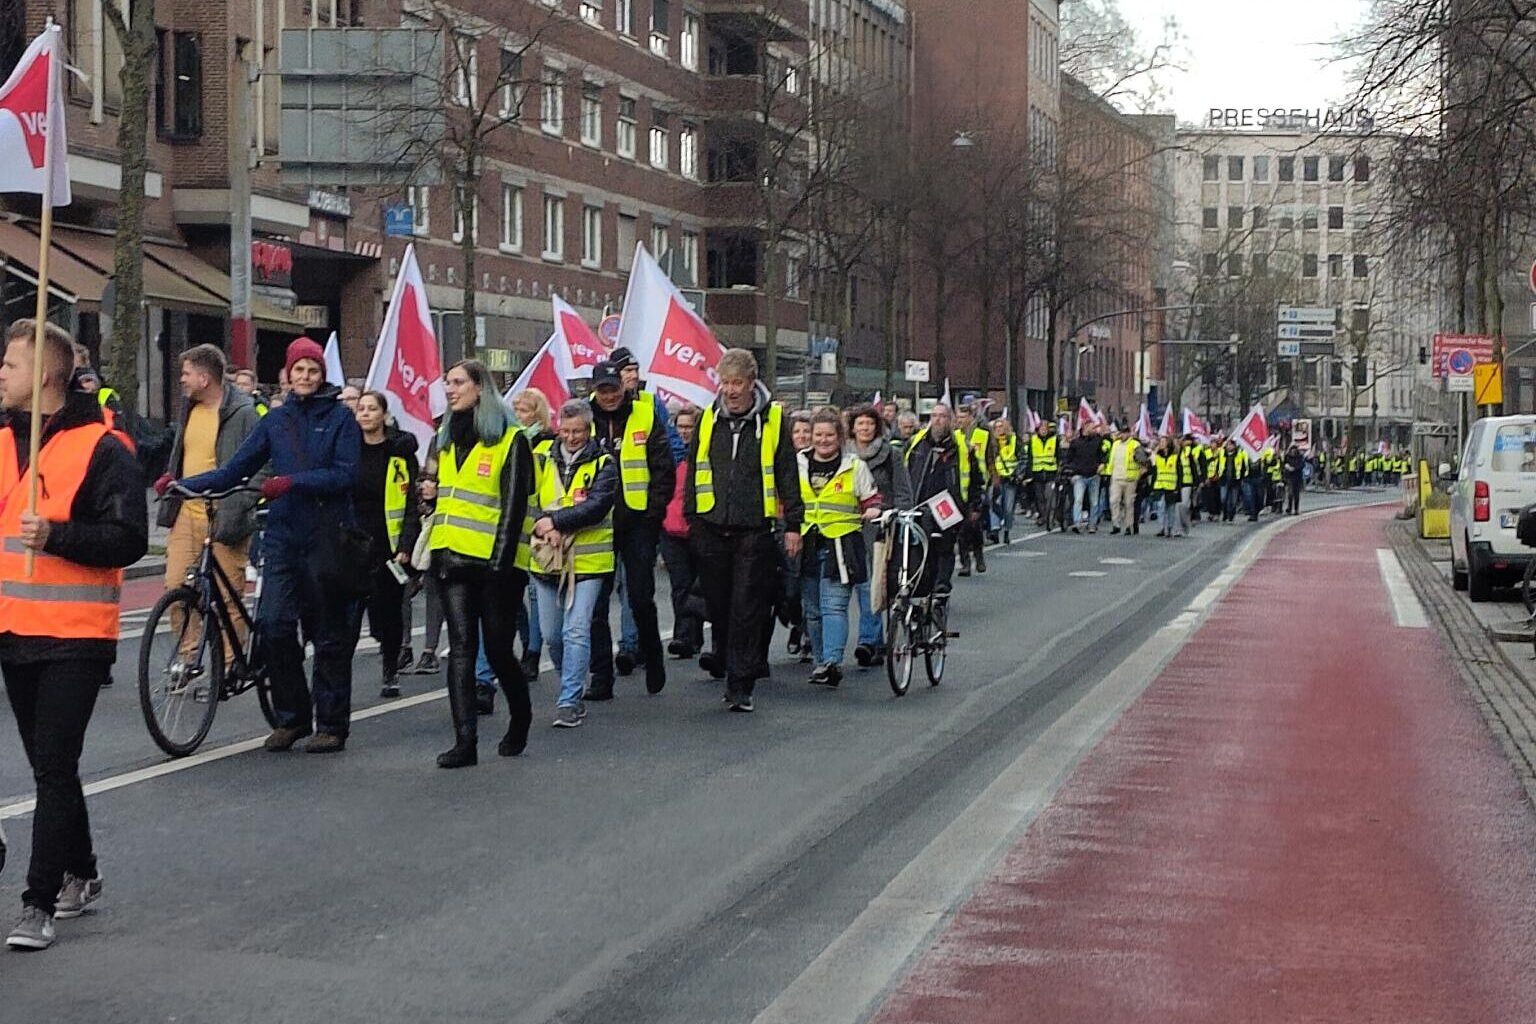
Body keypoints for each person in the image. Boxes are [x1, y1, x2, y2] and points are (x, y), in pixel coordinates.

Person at [0, 320, 147, 951]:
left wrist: (55, 536)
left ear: (48, 375)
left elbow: (128, 540)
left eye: (11, 363)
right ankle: (81, 870)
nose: (1, 372)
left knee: (54, 766)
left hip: (75, 635)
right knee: (47, 765)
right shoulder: (4, 439)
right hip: (13, 629)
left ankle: (38, 904)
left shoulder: (103, 448)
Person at [176, 337, 362, 754]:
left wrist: (293, 482)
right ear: (288, 375)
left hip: (327, 534)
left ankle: (331, 724)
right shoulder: (275, 421)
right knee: (275, 626)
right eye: (299, 371)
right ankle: (292, 717)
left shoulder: (340, 419)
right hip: (282, 535)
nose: (306, 377)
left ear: (321, 374)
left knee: (327, 633)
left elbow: (346, 474)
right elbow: (234, 470)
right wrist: (181, 485)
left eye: (313, 370)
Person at [426, 360, 535, 766]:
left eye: (458, 383)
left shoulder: (512, 440)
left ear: (479, 389)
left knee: (499, 650)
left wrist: (501, 564)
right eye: (447, 383)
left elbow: (512, 507)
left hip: (495, 566)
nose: (450, 390)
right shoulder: (446, 436)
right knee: (461, 650)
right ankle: (465, 742)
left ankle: (520, 718)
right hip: (452, 559)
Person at [685, 349, 802, 712]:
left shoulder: (774, 420)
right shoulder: (707, 419)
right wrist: (692, 518)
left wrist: (793, 524)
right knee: (718, 606)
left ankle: (740, 685)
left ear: (752, 383)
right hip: (711, 526)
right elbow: (693, 471)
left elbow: (787, 472)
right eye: (725, 382)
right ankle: (725, 656)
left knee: (747, 608)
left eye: (737, 383)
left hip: (754, 527)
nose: (731, 390)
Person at [153, 344, 263, 665]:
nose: (182, 380)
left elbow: (261, 464)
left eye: (186, 374)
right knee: (176, 588)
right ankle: (189, 660)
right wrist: (171, 483)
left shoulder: (243, 413)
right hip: (187, 511)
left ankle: (230, 664)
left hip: (225, 514)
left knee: (228, 596)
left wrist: (243, 500)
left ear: (204, 377)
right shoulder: (188, 409)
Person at [587, 359, 675, 700]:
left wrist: (653, 516)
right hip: (596, 524)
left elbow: (663, 468)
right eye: (603, 390)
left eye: (613, 388)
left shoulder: (645, 414)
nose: (609, 396)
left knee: (640, 598)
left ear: (623, 387)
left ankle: (653, 657)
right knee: (595, 605)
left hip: (638, 522)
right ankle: (600, 678)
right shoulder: (585, 420)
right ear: (594, 390)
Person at [529, 400, 618, 728]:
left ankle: (569, 699)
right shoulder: (539, 458)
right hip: (545, 562)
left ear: (589, 428)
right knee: (552, 635)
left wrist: (555, 521)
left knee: (576, 629)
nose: (571, 437)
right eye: (565, 431)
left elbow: (597, 506)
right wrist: (542, 523)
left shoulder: (605, 463)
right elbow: (525, 501)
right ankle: (573, 678)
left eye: (578, 431)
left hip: (589, 563)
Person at [798, 408, 883, 687]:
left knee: (833, 606)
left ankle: (832, 662)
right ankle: (820, 661)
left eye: (829, 435)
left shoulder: (854, 466)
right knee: (812, 609)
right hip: (806, 543)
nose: (823, 441)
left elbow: (871, 499)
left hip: (842, 544)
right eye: (818, 435)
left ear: (839, 437)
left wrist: (872, 511)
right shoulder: (797, 463)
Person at [353, 391, 420, 699]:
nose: (365, 414)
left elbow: (410, 503)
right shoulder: (348, 449)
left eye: (371, 409)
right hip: (352, 543)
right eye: (361, 409)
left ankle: (390, 668)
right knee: (350, 613)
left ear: (383, 414)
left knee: (388, 613)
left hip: (389, 545)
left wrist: (406, 542)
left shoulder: (399, 451)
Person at [849, 404, 912, 668]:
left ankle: (869, 640)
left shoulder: (891, 455)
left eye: (869, 424)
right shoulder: (842, 455)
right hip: (848, 525)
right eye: (860, 424)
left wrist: (900, 519)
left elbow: (902, 491)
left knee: (871, 585)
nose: (864, 428)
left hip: (880, 528)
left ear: (877, 427)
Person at [904, 403, 975, 590]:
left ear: (950, 420)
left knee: (944, 547)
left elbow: (974, 478)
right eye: (934, 415)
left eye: (942, 416)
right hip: (918, 503)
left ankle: (941, 589)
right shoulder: (916, 443)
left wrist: (973, 505)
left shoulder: (961, 447)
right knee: (917, 548)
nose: (937, 420)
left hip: (947, 504)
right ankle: (921, 587)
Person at [661, 404, 706, 659]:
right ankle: (684, 636)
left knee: (698, 585)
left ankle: (693, 633)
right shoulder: (668, 454)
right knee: (680, 584)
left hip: (699, 528)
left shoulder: (705, 454)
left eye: (689, 427)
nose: (685, 432)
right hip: (671, 528)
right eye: (681, 427)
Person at [954, 403, 994, 574]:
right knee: (961, 528)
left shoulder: (983, 435)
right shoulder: (953, 436)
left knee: (974, 525)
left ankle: (978, 555)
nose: (960, 421)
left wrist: (993, 478)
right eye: (958, 418)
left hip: (977, 485)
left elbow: (990, 456)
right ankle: (965, 562)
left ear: (971, 417)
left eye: (963, 417)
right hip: (957, 488)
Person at [1063, 419, 1103, 535]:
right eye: (1090, 427)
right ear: (1084, 427)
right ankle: (1077, 523)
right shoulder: (1075, 442)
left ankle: (1092, 524)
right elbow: (1069, 458)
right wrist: (1071, 471)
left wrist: (1102, 464)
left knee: (1094, 502)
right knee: (1078, 500)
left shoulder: (1098, 441)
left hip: (1094, 474)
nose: (1093, 429)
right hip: (1079, 475)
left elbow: (1103, 455)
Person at [1106, 425, 1147, 534]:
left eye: (1125, 433)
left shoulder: (1135, 445)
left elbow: (1143, 459)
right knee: (1114, 500)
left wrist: (1138, 460)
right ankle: (1116, 524)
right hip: (1116, 477)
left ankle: (1129, 525)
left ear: (1129, 433)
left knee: (1129, 503)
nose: (1123, 435)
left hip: (1130, 478)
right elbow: (1111, 460)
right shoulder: (1115, 444)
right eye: (1122, 433)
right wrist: (1108, 473)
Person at [990, 417, 1019, 543]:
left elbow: (1021, 458)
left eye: (1001, 426)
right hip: (996, 478)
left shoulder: (1013, 440)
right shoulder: (991, 442)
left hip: (1010, 479)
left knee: (1008, 507)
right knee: (994, 504)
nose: (998, 429)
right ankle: (995, 530)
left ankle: (1007, 531)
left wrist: (1019, 475)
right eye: (996, 427)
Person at [1027, 418, 1059, 526]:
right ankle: (1044, 516)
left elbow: (1058, 455)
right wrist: (1029, 474)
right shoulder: (1033, 440)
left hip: (1051, 473)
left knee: (1049, 496)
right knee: (1039, 497)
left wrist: (1059, 469)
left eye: (1045, 428)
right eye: (1041, 428)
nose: (1043, 430)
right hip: (1037, 473)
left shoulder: (1054, 440)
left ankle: (1050, 516)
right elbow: (1030, 457)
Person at [1151, 436, 1184, 537]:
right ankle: (1161, 527)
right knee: (1161, 506)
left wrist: (1178, 488)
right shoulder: (1157, 457)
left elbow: (1179, 473)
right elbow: (1154, 471)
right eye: (1160, 442)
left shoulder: (1175, 457)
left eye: (1163, 442)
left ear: (1168, 444)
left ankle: (1170, 528)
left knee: (1170, 508)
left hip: (1171, 486)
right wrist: (1152, 486)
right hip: (1160, 485)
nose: (1161, 444)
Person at [1283, 442, 1305, 515]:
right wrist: (1287, 467)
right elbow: (1284, 464)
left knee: (1296, 494)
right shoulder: (1287, 456)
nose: (1293, 451)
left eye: (1295, 450)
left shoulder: (1300, 457)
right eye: (1292, 450)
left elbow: (1302, 465)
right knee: (1290, 493)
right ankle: (1289, 508)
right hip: (1290, 477)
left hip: (1297, 477)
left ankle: (1296, 509)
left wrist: (1294, 468)